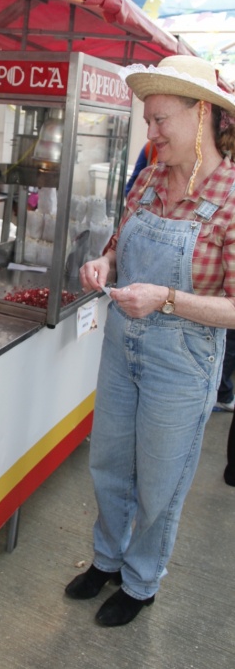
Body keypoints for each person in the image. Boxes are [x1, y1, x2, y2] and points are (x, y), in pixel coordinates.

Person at [64, 54, 235, 627]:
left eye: (161, 119)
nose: (152, 132)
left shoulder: (232, 195)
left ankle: (141, 582)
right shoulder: (147, 176)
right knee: (109, 461)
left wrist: (167, 298)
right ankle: (108, 558)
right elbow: (118, 244)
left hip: (183, 358)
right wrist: (103, 262)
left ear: (202, 113)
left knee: (160, 477)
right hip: (123, 345)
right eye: (148, 120)